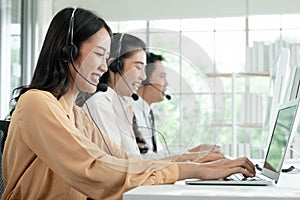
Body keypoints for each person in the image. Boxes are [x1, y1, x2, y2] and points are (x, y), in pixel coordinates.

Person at [2, 7, 256, 199]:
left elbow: (123, 160)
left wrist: (188, 161)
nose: (104, 67)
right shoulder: (36, 103)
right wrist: (193, 171)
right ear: (67, 52)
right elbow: (93, 171)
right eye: (99, 55)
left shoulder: (78, 116)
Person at [129, 52, 221, 159]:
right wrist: (190, 155)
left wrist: (192, 152)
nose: (167, 84)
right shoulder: (131, 112)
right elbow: (142, 160)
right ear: (144, 79)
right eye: (162, 77)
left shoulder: (147, 112)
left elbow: (158, 155)